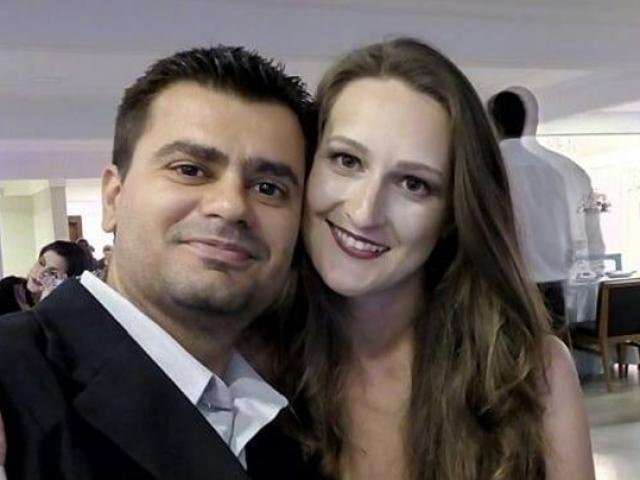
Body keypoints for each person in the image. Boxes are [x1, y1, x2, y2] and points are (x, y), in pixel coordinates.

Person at [0, 45, 315, 479]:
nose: (230, 206)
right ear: (114, 197)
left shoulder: (290, 420)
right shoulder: (14, 379)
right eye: (190, 169)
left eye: (268, 188)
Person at [285, 38, 594, 479]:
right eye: (346, 160)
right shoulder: (252, 363)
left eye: (414, 184)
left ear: (452, 215)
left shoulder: (532, 375)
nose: (365, 212)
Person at [487, 88, 605, 330]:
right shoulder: (552, 171)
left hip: (508, 284)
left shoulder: (490, 168)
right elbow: (568, 230)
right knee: (553, 348)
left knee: (508, 350)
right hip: (554, 283)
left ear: (493, 122)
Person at [0, 240, 91, 315]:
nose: (40, 273)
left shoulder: (67, 311)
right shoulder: (8, 288)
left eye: (52, 272)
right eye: (41, 263)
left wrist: (47, 301)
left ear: (66, 281)